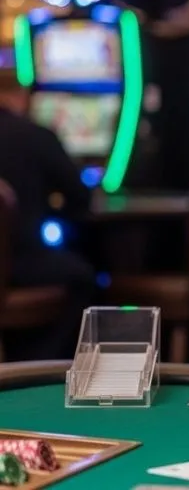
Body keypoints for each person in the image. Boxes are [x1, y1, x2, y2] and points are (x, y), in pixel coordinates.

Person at [0, 83, 96, 360]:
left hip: (17, 264)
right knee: (84, 277)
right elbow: (80, 197)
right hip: (20, 262)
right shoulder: (33, 135)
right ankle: (42, 365)